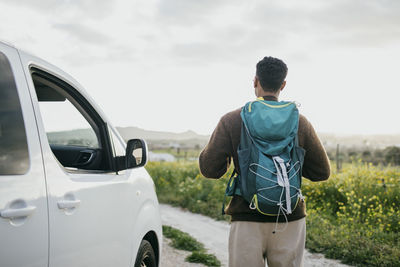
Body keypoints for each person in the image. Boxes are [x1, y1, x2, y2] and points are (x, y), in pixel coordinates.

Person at [199, 56, 330, 267]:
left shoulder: (232, 119)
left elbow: (210, 169)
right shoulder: (300, 121)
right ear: (283, 85)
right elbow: (321, 172)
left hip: (247, 217)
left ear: (255, 81)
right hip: (290, 216)